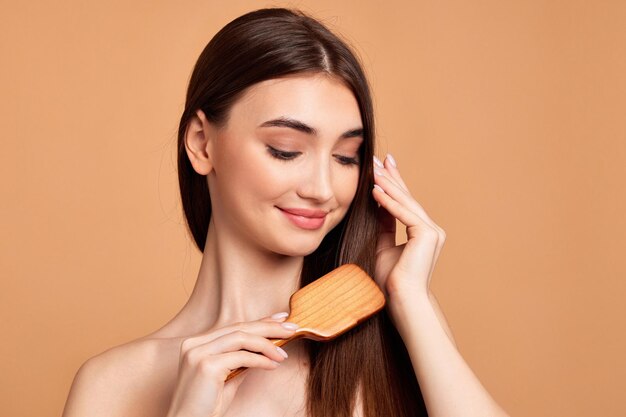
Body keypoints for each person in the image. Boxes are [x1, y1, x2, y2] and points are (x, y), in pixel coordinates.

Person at [62, 7, 509, 417]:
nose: (321, 189)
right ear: (201, 142)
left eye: (346, 157)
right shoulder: (113, 386)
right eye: (286, 150)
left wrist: (410, 299)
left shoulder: (401, 336)